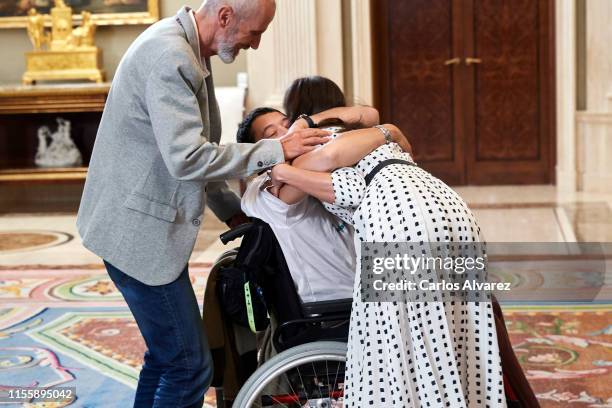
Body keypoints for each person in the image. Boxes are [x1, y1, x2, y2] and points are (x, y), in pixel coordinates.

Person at [76, 1, 330, 407]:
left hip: (133, 223)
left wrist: (232, 210)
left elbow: (198, 151)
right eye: (255, 33)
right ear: (226, 16)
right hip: (136, 233)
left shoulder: (188, 48)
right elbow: (187, 158)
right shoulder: (170, 55)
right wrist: (276, 149)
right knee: (188, 366)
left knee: (166, 358)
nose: (257, 44)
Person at [269, 77, 507, 407]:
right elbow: (372, 116)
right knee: (458, 331)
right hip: (451, 208)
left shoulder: (321, 148)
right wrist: (388, 130)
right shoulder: (368, 133)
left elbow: (349, 190)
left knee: (405, 347)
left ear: (295, 113)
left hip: (403, 220)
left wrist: (283, 171)